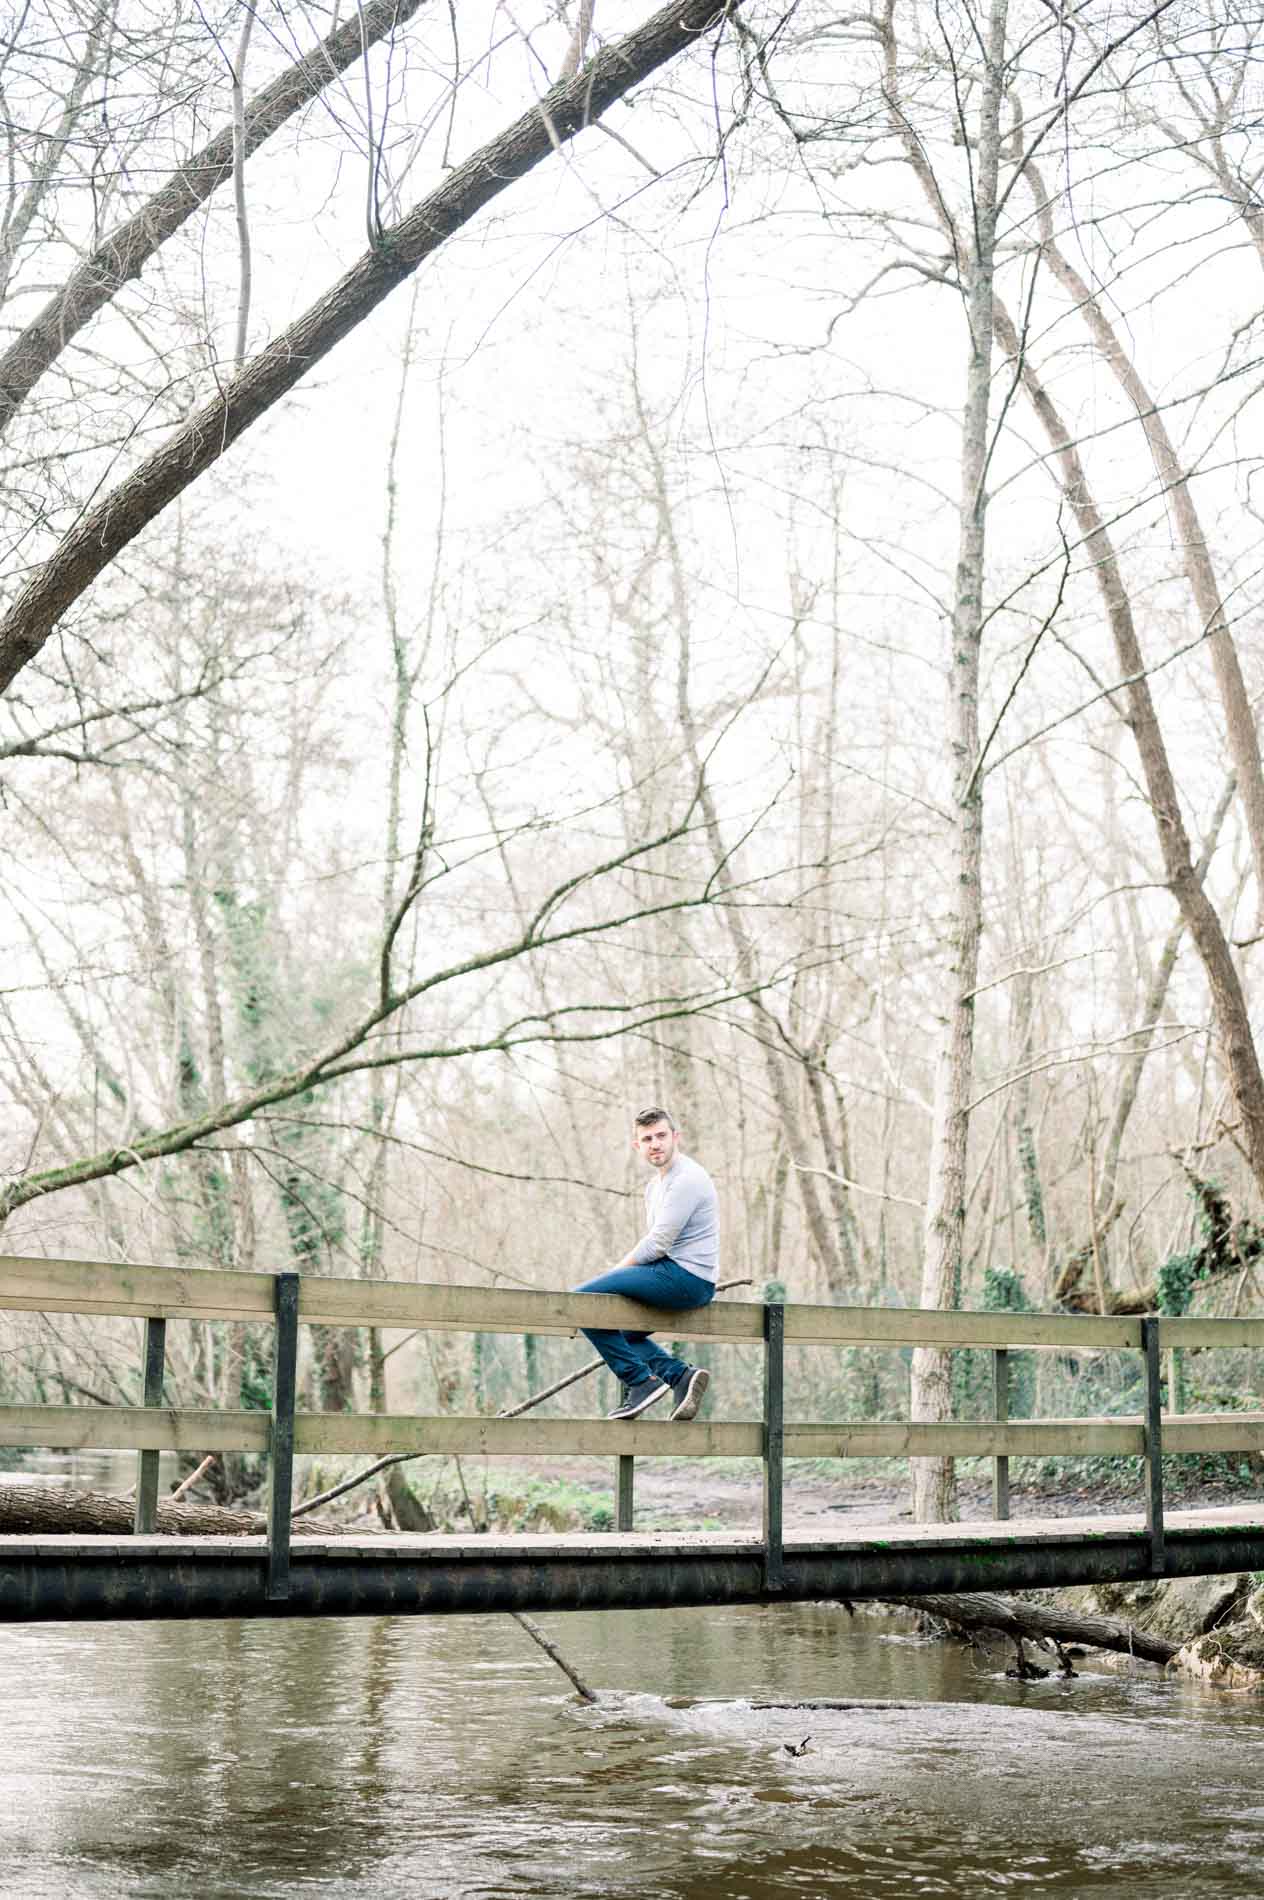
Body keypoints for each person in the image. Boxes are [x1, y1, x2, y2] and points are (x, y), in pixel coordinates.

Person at [574, 1106, 718, 1422]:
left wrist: (616, 1273)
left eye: (661, 1136)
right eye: (647, 1138)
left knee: (582, 1300)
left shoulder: (687, 1178)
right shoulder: (655, 1187)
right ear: (637, 1146)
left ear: (676, 1137)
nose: (655, 1144)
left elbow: (657, 1243)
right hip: (672, 1274)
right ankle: (679, 1377)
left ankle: (640, 1382)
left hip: (686, 1278)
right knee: (621, 1330)